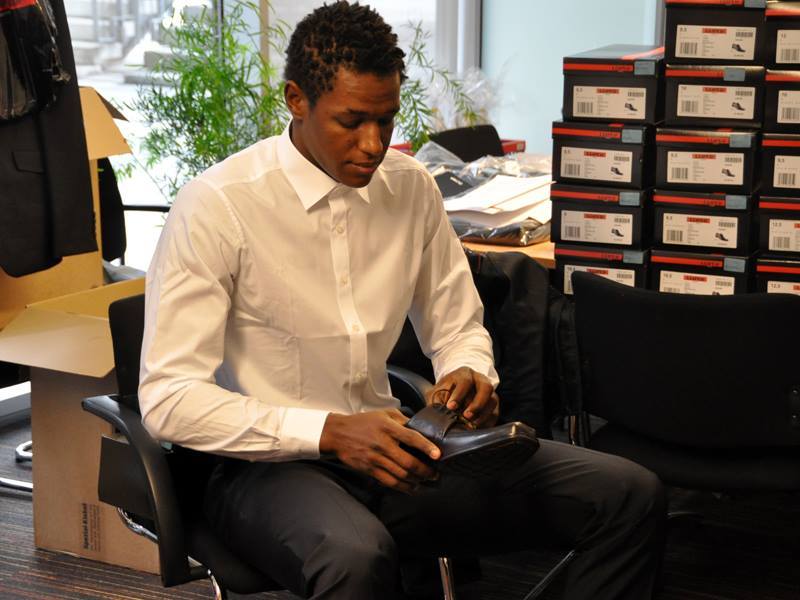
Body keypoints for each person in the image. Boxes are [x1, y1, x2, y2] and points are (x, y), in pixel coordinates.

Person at [139, 2, 666, 598]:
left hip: (396, 447)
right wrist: (331, 432)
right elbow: (169, 400)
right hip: (262, 470)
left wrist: (468, 371)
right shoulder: (218, 206)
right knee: (355, 557)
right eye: (351, 121)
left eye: (385, 120)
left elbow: (456, 324)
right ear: (296, 100)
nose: (373, 144)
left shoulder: (410, 186)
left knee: (627, 494)